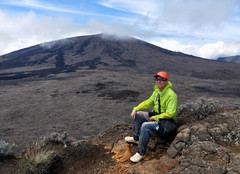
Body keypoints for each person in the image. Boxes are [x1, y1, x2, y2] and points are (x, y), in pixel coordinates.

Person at [125, 71, 178, 163]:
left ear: (166, 81)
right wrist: (135, 109)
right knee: (137, 115)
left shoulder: (171, 95)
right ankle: (136, 138)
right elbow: (148, 102)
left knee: (145, 126)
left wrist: (156, 118)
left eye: (162, 80)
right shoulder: (157, 92)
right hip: (156, 117)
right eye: (157, 79)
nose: (159, 81)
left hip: (164, 122)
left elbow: (171, 113)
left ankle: (141, 152)